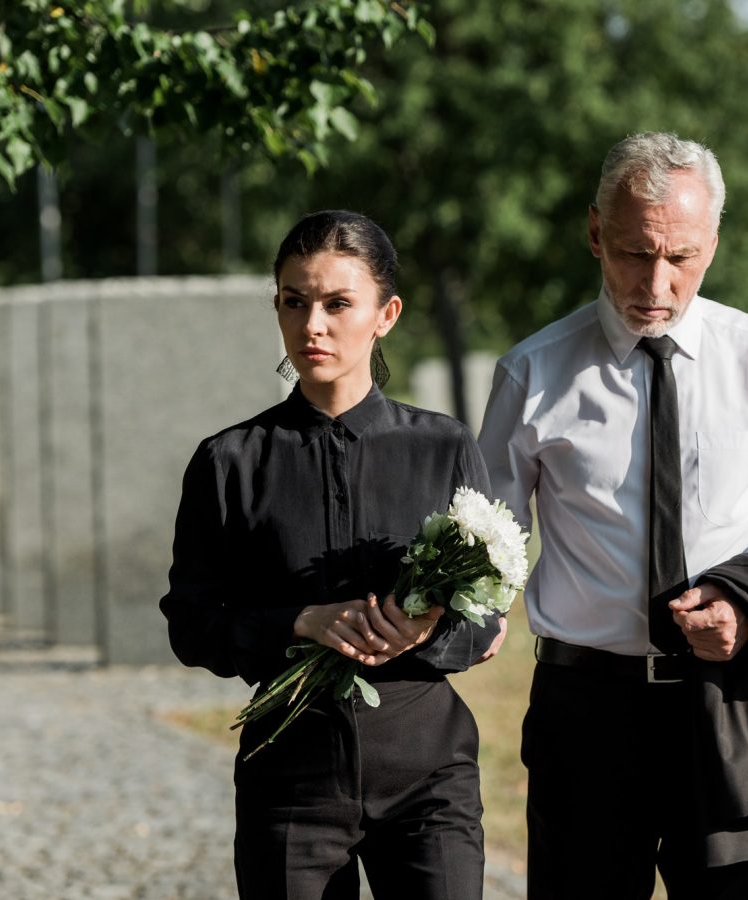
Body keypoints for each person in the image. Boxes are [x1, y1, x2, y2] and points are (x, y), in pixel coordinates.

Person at [478, 132, 748, 898]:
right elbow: (490, 538)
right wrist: (474, 614)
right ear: (594, 233)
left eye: (680, 257)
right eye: (632, 253)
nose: (656, 282)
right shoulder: (532, 372)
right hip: (585, 711)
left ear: (713, 242)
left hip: (727, 699)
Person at [160, 210, 504, 900]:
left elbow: (488, 619)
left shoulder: (443, 447)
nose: (312, 325)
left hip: (429, 778)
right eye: (294, 301)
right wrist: (300, 622)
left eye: (337, 303)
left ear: (386, 314)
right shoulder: (229, 463)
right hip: (288, 780)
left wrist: (433, 626)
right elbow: (191, 624)